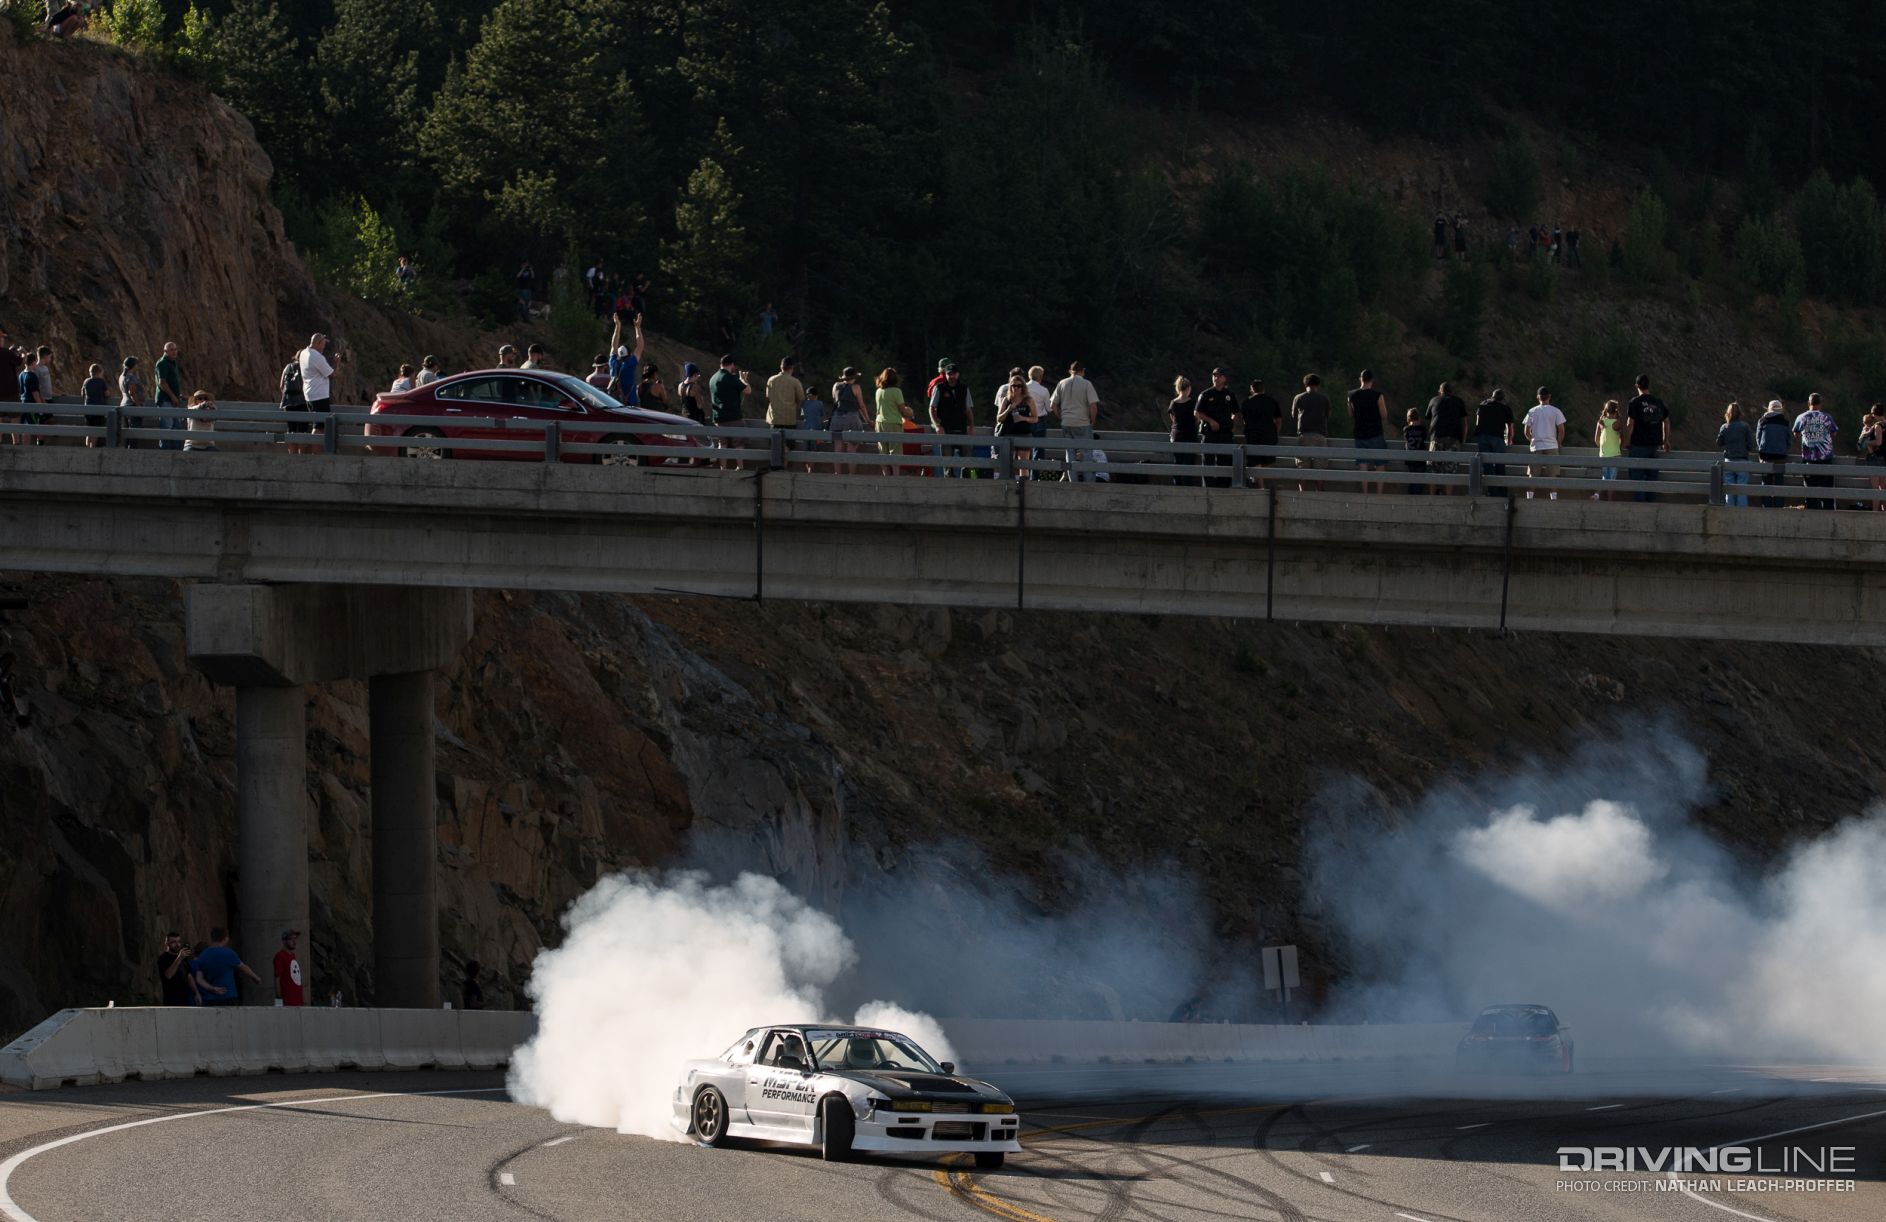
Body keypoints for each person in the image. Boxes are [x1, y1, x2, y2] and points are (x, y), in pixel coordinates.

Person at [1049, 361, 1100, 483]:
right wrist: (1092, 421)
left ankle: (1073, 482)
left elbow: (1053, 405)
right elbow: (1093, 406)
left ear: (1070, 371)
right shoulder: (1086, 384)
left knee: (1070, 453)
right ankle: (1088, 483)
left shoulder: (1062, 383)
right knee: (1086, 454)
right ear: (1083, 371)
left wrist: (1061, 417)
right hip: (1083, 423)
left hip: (1066, 423)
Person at [1624, 374, 1669, 502]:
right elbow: (1666, 422)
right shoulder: (1658, 401)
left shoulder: (1635, 402)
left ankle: (1640, 507)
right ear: (1649, 385)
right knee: (1652, 479)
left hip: (1638, 446)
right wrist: (1665, 440)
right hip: (1654, 446)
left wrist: (1627, 441)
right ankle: (1651, 506)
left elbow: (1630, 423)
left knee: (1637, 478)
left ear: (1636, 386)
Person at [193, 926, 261, 1006]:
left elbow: (199, 979)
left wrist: (212, 988)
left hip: (211, 999)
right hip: (228, 996)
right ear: (226, 939)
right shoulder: (228, 953)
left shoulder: (203, 955)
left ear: (212, 938)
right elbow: (244, 968)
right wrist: (256, 978)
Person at [1195, 368, 1240, 488]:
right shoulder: (1206, 394)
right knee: (1208, 461)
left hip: (1225, 434)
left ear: (1224, 378)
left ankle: (1223, 489)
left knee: (1226, 462)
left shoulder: (1229, 395)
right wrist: (1210, 421)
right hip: (1210, 433)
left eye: (1219, 376)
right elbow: (1197, 413)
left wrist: (1233, 425)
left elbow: (1235, 412)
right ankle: (1209, 489)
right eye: (1214, 375)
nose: (1216, 378)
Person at [929, 360, 975, 477]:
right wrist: (937, 426)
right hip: (946, 429)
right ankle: (949, 483)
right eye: (949, 374)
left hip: (961, 428)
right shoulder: (939, 388)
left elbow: (968, 409)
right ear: (945, 374)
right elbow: (932, 408)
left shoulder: (964, 388)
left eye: (953, 374)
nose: (951, 376)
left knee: (967, 462)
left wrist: (971, 426)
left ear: (958, 374)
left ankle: (967, 483)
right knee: (948, 465)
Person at [1793, 392, 1838, 510]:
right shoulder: (1827, 417)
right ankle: (1828, 514)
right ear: (1821, 403)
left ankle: (1812, 514)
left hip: (1809, 459)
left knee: (1810, 491)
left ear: (1809, 403)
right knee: (1827, 490)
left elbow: (1796, 433)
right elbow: (1834, 432)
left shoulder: (1801, 417)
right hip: (1826, 459)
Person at [1347, 370, 1390, 493]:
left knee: (1363, 464)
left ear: (1360, 379)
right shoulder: (1378, 396)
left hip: (1360, 434)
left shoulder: (1351, 395)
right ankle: (1379, 493)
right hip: (1376, 433)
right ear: (1372, 380)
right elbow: (1384, 415)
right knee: (1380, 464)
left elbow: (1350, 414)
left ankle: (1365, 492)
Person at [993, 372, 1040, 480]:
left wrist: (1023, 418)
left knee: (1023, 464)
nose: (1016, 388)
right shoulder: (1006, 400)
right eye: (1013, 385)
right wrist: (1008, 410)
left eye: (1019, 386)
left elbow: (1035, 418)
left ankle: (1023, 486)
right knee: (1009, 464)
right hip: (1009, 435)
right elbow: (999, 419)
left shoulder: (1028, 400)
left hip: (1024, 434)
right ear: (1010, 387)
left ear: (1023, 387)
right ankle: (1010, 484)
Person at [1424, 381, 1468, 495]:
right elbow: (1464, 423)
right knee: (1450, 469)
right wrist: (1463, 440)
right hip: (1454, 439)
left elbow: (1429, 419)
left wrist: (1431, 436)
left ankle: (1432, 496)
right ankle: (1448, 497)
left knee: (1432, 468)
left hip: (1437, 437)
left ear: (1440, 392)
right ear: (1451, 392)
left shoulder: (1434, 400)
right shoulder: (1459, 401)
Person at [1522, 387, 1566, 499]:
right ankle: (1553, 499)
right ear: (1549, 396)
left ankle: (1529, 498)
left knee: (1533, 474)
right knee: (1553, 474)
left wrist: (1532, 440)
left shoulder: (1532, 411)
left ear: (1538, 397)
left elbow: (1526, 431)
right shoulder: (1556, 411)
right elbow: (1561, 430)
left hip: (1536, 446)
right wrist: (1559, 443)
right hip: (1551, 445)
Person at [298, 334, 337, 456]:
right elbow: (332, 374)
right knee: (319, 427)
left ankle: (314, 453)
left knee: (318, 425)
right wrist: (336, 362)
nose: (324, 347)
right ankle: (316, 455)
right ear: (318, 343)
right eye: (323, 344)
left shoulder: (304, 353)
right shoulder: (316, 356)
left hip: (309, 394)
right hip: (319, 396)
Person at [709, 355, 750, 469]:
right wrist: (743, 379)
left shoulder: (713, 378)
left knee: (722, 443)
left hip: (719, 418)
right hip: (734, 417)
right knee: (739, 443)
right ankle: (740, 468)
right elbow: (748, 391)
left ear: (721, 364)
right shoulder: (731, 378)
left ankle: (723, 468)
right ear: (732, 365)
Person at [1291, 374, 1331, 490]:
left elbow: (1293, 415)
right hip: (1320, 435)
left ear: (1305, 384)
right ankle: (1319, 492)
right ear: (1318, 384)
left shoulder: (1298, 397)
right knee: (1320, 466)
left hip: (1304, 435)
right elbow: (1328, 415)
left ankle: (1302, 493)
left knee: (1302, 466)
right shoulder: (1324, 398)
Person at [1472, 388, 1514, 494]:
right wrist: (1509, 441)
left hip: (1483, 437)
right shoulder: (1505, 408)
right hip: (1497, 438)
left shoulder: (1483, 404)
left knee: (1487, 465)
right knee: (1500, 464)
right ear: (1502, 399)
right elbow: (1510, 428)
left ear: (1492, 396)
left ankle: (1492, 492)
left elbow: (1477, 422)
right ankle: (1502, 493)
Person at [830, 367, 871, 474]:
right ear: (854, 377)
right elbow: (861, 405)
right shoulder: (856, 387)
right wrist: (867, 420)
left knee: (838, 448)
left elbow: (835, 400)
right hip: (851, 418)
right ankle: (851, 474)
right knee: (851, 448)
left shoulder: (836, 385)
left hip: (837, 417)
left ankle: (837, 474)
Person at [1244, 379, 1282, 486]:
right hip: (1269, 435)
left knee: (1256, 462)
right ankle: (1266, 486)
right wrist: (1275, 433)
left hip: (1253, 435)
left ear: (1252, 389)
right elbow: (1279, 421)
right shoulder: (1272, 401)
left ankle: (1261, 487)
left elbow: (1245, 421)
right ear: (1263, 389)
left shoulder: (1247, 402)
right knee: (1267, 461)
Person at [1756, 399, 1793, 508]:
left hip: (1765, 456)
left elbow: (1758, 438)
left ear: (1769, 409)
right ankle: (1778, 507)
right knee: (1779, 483)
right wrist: (1784, 449)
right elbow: (1789, 441)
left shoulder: (1762, 421)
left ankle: (1766, 506)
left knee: (1766, 483)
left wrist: (1761, 449)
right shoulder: (1785, 422)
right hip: (1780, 456)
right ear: (1780, 409)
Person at [1717, 401, 1755, 509]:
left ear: (1728, 414)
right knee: (1742, 490)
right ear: (1740, 413)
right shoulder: (1745, 426)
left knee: (1729, 490)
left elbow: (1719, 443)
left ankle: (1730, 511)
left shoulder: (1725, 427)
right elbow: (1750, 445)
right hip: (1742, 461)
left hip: (1729, 461)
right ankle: (1742, 513)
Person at [875, 368, 913, 471]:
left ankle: (886, 477)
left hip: (879, 423)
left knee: (883, 452)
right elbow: (902, 409)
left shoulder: (878, 391)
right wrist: (909, 413)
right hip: (893, 423)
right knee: (895, 452)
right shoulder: (897, 391)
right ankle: (895, 477)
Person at [1166, 374, 1200, 485]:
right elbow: (1197, 419)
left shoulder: (1173, 403)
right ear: (1188, 388)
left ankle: (1177, 486)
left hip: (1176, 436)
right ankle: (1187, 488)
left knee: (1178, 463)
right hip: (1189, 436)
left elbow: (1173, 420)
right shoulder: (1193, 403)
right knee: (1188, 464)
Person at [764, 356, 805, 447]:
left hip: (774, 419)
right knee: (789, 447)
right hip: (789, 419)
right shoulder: (795, 382)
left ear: (781, 367)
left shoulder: (771, 380)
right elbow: (801, 398)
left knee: (775, 447)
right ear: (792, 368)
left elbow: (768, 396)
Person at [607, 312, 644, 405]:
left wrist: (617, 326)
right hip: (630, 403)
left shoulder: (613, 362)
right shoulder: (630, 363)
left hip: (613, 403)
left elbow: (613, 345)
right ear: (630, 354)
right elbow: (640, 346)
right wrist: (637, 328)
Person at [153, 341, 184, 451]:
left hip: (173, 400)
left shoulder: (173, 363)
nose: (174, 352)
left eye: (175, 349)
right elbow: (162, 382)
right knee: (167, 427)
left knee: (177, 428)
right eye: (171, 350)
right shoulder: (162, 363)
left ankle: (176, 452)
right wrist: (172, 396)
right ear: (165, 351)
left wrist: (178, 396)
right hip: (166, 400)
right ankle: (164, 453)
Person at [1593, 400, 1623, 500]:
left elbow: (1596, 439)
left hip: (1603, 454)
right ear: (1616, 410)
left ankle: (1597, 495)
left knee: (1605, 477)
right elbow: (1622, 438)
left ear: (1606, 410)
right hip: (1615, 454)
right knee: (1612, 480)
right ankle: (1609, 501)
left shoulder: (1601, 422)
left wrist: (1602, 448)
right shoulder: (1617, 423)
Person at [158, 931, 198, 1006]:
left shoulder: (183, 958)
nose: (177, 944)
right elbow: (168, 975)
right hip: (171, 1001)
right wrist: (179, 958)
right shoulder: (163, 958)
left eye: (178, 942)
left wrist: (196, 993)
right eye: (173, 942)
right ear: (167, 943)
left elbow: (189, 976)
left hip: (185, 1000)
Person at [1859, 403, 1886, 510]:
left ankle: (1875, 513)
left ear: (1874, 414)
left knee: (1875, 489)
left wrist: (1867, 442)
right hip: (1884, 458)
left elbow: (1878, 442)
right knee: (1883, 489)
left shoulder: (1878, 425)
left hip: (1876, 458)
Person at [118, 355, 146, 449]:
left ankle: (126, 449)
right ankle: (132, 450)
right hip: (132, 406)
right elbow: (132, 392)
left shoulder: (122, 376)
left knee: (127, 431)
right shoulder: (131, 377)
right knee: (134, 431)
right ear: (133, 366)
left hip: (124, 405)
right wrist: (138, 406)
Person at [273, 929, 305, 1006]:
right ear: (284, 941)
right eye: (291, 939)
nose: (294, 941)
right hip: (287, 1000)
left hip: (298, 999)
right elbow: (277, 977)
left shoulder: (292, 956)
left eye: (295, 938)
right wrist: (279, 997)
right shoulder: (280, 956)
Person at [81, 362, 108, 449]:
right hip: (98, 409)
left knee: (89, 430)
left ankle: (87, 447)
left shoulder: (86, 381)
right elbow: (107, 394)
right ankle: (92, 448)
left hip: (88, 409)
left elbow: (82, 393)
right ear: (99, 372)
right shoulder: (101, 382)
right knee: (96, 430)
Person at [1403, 408, 1429, 495]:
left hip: (1410, 458)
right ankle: (1417, 496)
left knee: (1412, 478)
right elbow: (1424, 438)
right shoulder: (1422, 429)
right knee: (1419, 479)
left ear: (1408, 419)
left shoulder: (1406, 429)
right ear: (1419, 418)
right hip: (1421, 458)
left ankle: (1411, 495)